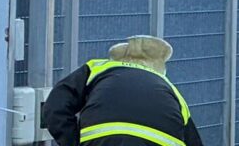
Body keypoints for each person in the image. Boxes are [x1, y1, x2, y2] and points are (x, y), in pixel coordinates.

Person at [42, 35, 203, 146]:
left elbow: (55, 107)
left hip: (102, 139)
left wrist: (73, 142)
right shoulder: (170, 89)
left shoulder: (98, 68)